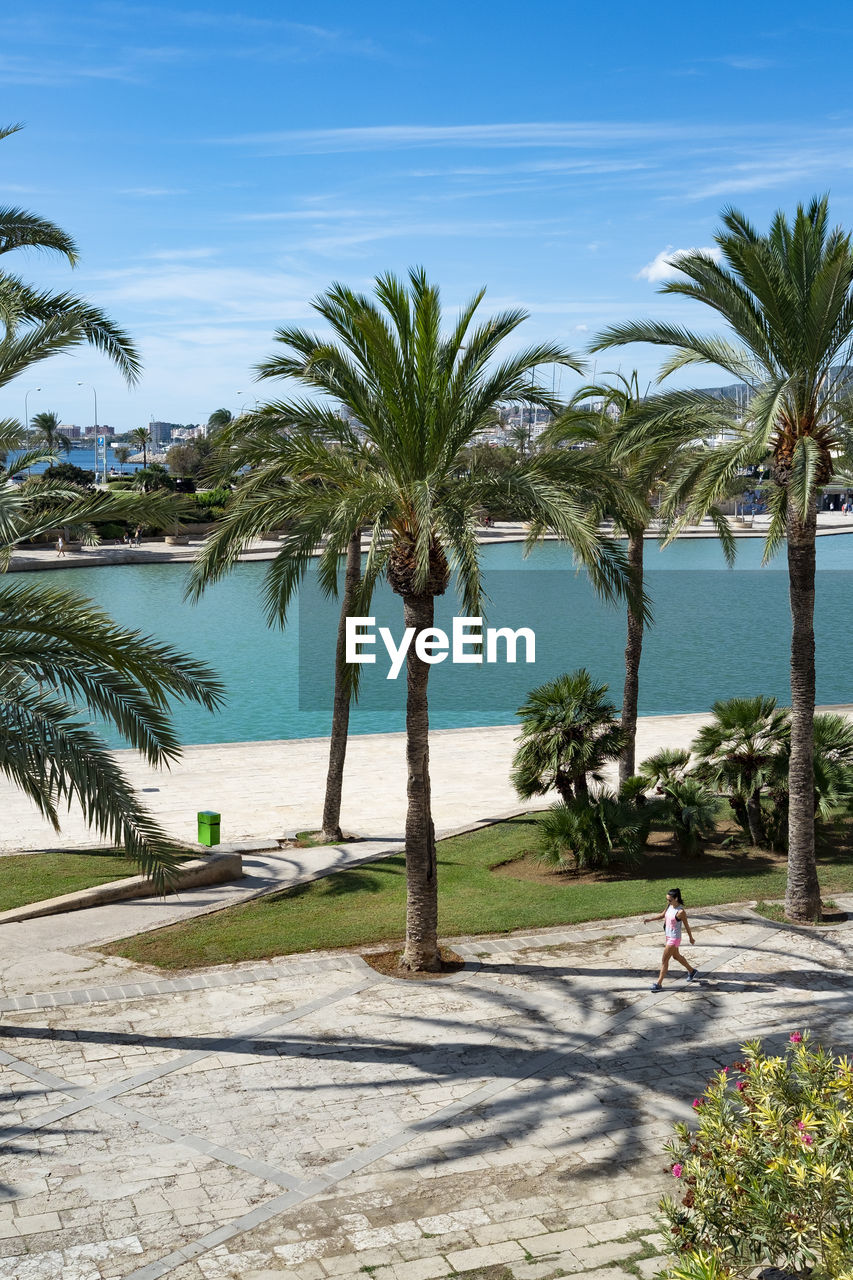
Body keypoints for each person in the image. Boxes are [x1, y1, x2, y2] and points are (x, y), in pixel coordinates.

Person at [644, 887, 698, 991]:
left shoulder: (681, 912)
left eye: (670, 899)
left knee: (664, 960)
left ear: (676, 898)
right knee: (676, 956)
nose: (668, 901)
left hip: (674, 938)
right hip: (668, 936)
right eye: (667, 899)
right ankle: (692, 971)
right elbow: (662, 915)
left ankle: (658, 984)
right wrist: (650, 919)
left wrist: (691, 938)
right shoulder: (670, 905)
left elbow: (686, 925)